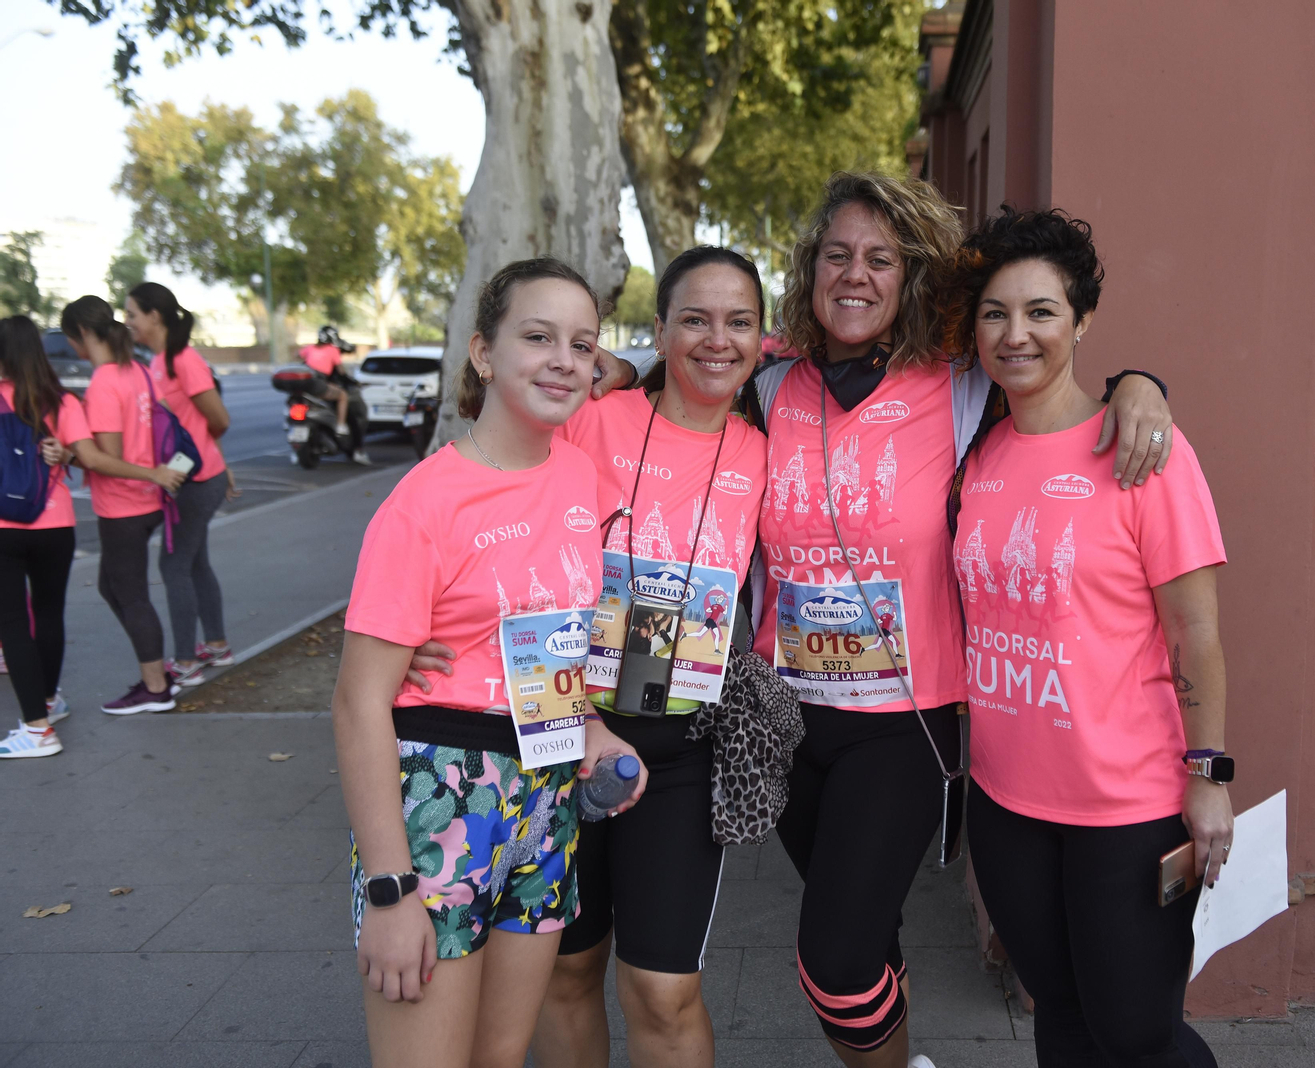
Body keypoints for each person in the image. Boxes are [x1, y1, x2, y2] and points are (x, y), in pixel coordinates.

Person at [661, 172, 1175, 1068]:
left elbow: (1053, 377)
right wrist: (616, 367)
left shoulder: (961, 387)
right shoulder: (770, 386)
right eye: (837, 255)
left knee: (836, 954)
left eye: (880, 258)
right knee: (866, 933)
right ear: (810, 271)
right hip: (785, 722)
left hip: (905, 725)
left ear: (911, 275)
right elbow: (685, 374)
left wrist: (1142, 383)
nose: (855, 274)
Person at [409, 247, 770, 1068]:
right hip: (556, 731)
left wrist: (1135, 381)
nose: (718, 340)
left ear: (762, 338)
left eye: (740, 322)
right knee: (566, 975)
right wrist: (423, 626)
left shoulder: (766, 446)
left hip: (680, 748)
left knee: (663, 990)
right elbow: (481, 489)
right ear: (659, 330)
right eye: (695, 320)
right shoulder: (589, 416)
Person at [334, 257, 648, 1068]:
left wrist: (596, 731)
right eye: (537, 337)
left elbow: (552, 652)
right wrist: (391, 891)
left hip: (546, 800)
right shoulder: (425, 502)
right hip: (440, 797)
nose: (563, 361)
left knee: (502, 1058)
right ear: (482, 353)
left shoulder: (587, 480)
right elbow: (358, 704)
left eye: (582, 346)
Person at [948, 206, 1232, 1067]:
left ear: (1082, 322)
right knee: (1060, 1014)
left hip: (1127, 805)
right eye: (995, 313)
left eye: (1041, 312)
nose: (1016, 334)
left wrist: (1210, 774)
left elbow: (1196, 632)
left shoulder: (1143, 449)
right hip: (1004, 800)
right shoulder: (979, 454)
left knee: (1137, 1031)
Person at [60, 296, 187, 715]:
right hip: (145, 503)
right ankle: (156, 672)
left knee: (131, 595)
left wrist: (69, 452)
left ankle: (155, 687)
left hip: (124, 506)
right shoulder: (134, 370)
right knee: (112, 587)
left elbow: (104, 458)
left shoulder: (103, 382)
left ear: (80, 334)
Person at [124, 282, 234, 686]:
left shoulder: (183, 360)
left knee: (173, 565)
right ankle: (217, 646)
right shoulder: (157, 362)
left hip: (198, 478)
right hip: (187, 476)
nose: (128, 321)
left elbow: (218, 419)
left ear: (154, 316)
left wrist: (207, 453)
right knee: (194, 562)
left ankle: (186, 661)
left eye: (132, 313)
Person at [0, 317, 88, 756]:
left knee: (13, 622)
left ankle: (36, 730)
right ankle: (49, 703)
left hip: (3, 530)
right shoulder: (62, 401)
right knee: (49, 614)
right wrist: (65, 452)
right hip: (57, 524)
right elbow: (86, 456)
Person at [300, 325, 371, 465]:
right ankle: (341, 426)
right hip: (321, 387)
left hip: (307, 388)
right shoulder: (332, 350)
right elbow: (342, 372)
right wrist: (353, 382)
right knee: (344, 399)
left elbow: (299, 355)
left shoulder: (309, 348)